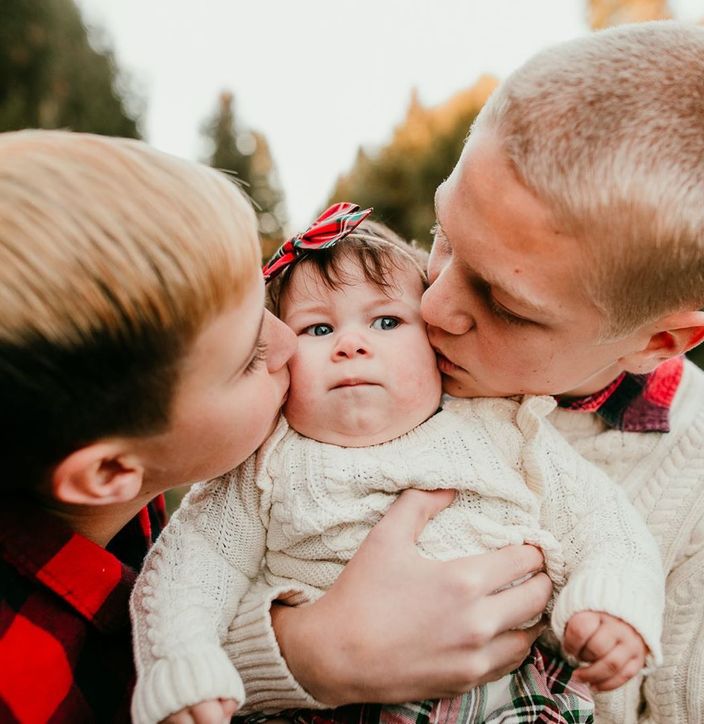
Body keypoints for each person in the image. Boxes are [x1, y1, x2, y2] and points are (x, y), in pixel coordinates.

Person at [240, 20, 704, 724]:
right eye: (442, 236)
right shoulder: (341, 361)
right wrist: (308, 655)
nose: (433, 305)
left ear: (657, 342)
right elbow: (161, 618)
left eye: (503, 302)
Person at [0, 131, 551, 722]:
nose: (287, 341)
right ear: (109, 470)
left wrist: (284, 655)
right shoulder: (19, 679)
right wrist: (318, 656)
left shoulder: (128, 494)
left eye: (266, 312)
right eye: (245, 360)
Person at [130, 210, 663, 724]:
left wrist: (611, 603)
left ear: (434, 345)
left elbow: (604, 522)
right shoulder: (265, 459)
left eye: (386, 321)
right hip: (312, 709)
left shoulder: (501, 426)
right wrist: (183, 662)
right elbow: (192, 564)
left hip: (508, 702)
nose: (351, 345)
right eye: (317, 330)